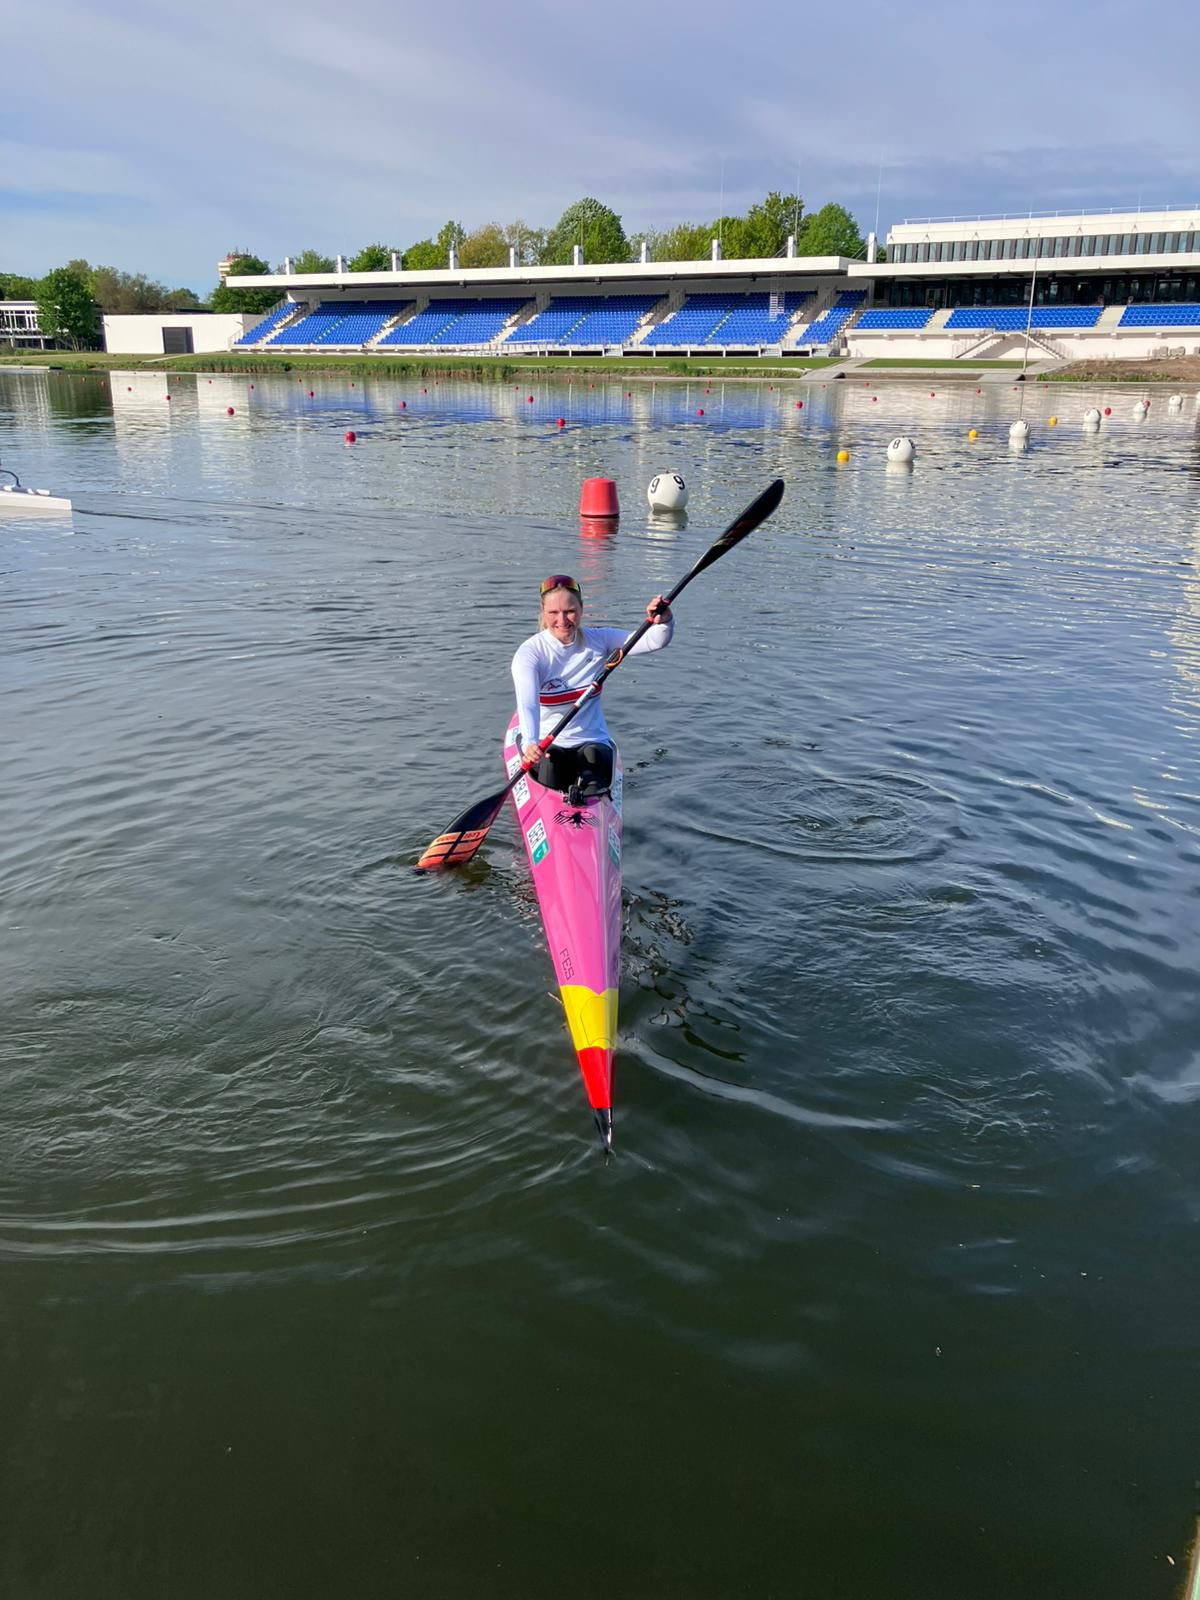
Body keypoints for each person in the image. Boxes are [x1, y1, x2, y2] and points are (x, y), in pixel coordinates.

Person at [512, 574, 673, 803]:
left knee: (596, 759)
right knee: (551, 764)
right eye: (553, 612)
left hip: (592, 740)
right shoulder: (530, 654)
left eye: (570, 611)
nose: (562, 620)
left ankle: (591, 807)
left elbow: (653, 641)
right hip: (547, 742)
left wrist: (664, 621)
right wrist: (530, 742)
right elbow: (527, 704)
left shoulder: (599, 640)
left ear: (581, 609)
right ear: (543, 612)